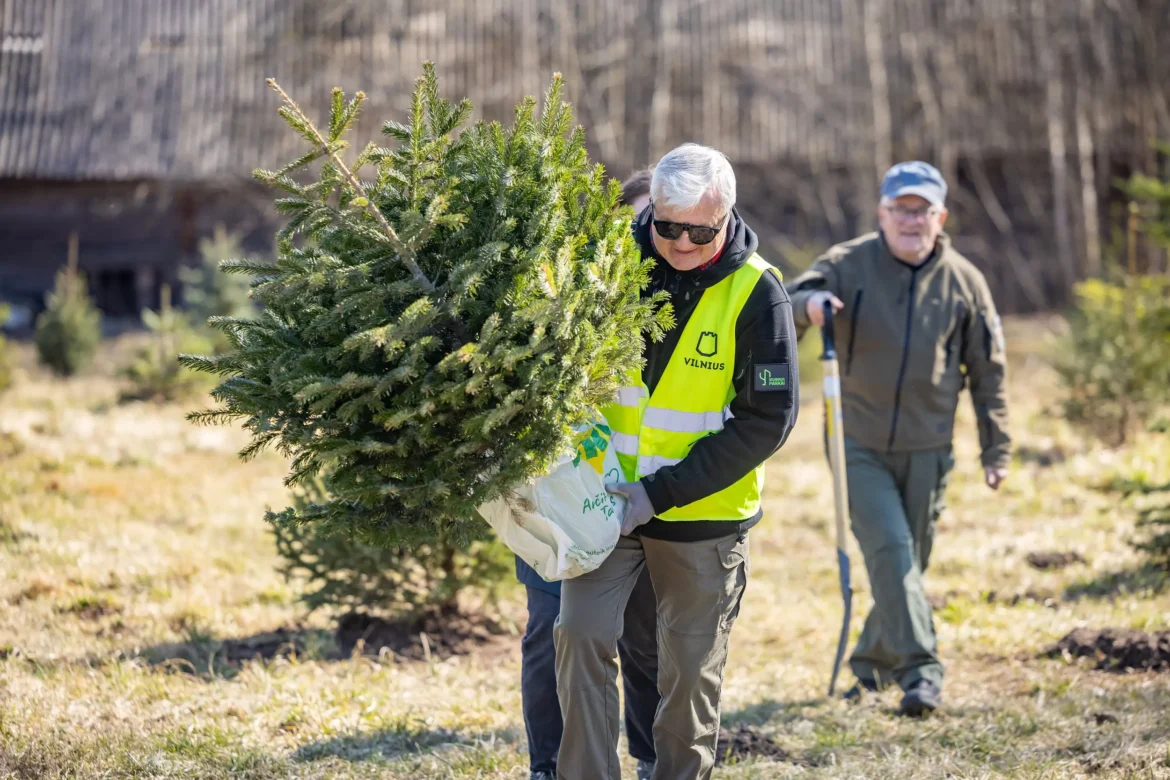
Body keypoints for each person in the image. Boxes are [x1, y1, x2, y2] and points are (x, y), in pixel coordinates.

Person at [554, 143, 800, 779]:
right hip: (602, 505)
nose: (682, 244)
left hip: (702, 516)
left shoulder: (758, 293)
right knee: (579, 637)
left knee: (688, 674)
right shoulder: (606, 262)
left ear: (726, 215)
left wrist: (659, 494)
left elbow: (767, 421)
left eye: (700, 230)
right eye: (667, 226)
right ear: (652, 211)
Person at [787, 160, 1011, 716]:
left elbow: (989, 372)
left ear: (941, 217)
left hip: (928, 446)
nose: (911, 221)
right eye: (901, 210)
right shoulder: (848, 262)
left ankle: (870, 667)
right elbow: (789, 298)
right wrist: (810, 306)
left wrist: (996, 447)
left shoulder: (966, 283)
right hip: (856, 442)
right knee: (890, 551)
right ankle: (922, 672)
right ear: (882, 214)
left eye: (922, 211)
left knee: (907, 563)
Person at [514, 169, 661, 780]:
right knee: (552, 630)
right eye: (642, 220)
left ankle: (652, 758)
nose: (655, 235)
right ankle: (550, 766)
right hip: (561, 501)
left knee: (647, 638)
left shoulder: (693, 300)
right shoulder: (566, 293)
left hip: (647, 503)